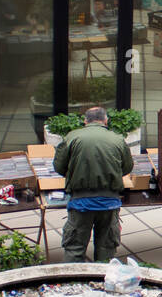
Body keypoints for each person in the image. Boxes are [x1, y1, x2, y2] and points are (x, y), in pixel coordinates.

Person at [54, 106, 133, 263]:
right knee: (106, 251)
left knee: (75, 249)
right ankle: (104, 283)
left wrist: (75, 173)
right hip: (109, 203)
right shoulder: (117, 139)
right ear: (106, 121)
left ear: (85, 121)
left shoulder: (72, 137)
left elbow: (59, 167)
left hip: (80, 202)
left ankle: (73, 284)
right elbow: (127, 167)